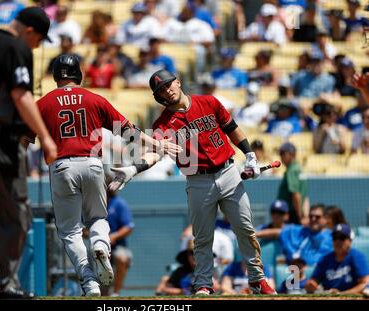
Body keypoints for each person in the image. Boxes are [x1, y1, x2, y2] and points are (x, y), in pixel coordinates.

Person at [109, 70, 277, 295]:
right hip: (198, 181)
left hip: (228, 172)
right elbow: (155, 153)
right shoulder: (162, 124)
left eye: (169, 84)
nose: (168, 90)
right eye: (162, 89)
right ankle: (204, 283)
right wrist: (135, 168)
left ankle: (257, 279)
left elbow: (232, 128)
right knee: (202, 237)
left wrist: (249, 155)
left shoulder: (209, 101)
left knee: (246, 229)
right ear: (158, 96)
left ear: (178, 81)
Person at [36, 55, 180, 296]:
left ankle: (89, 281)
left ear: (56, 76)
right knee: (97, 219)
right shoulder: (94, 98)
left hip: (61, 166)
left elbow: (22, 139)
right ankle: (101, 245)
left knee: (70, 231)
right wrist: (156, 144)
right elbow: (128, 131)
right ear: (78, 75)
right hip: (93, 164)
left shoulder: (43, 103)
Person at [0, 7, 58, 299]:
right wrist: (45, 137)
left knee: (0, 217)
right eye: (40, 40)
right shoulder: (16, 47)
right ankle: (0, 287)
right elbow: (21, 95)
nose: (38, 46)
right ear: (30, 31)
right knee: (16, 217)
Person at [305, 224, 369, 294]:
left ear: (350, 240)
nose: (338, 241)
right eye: (335, 238)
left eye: (342, 238)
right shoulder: (324, 259)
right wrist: (310, 286)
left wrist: (342, 295)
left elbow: (365, 283)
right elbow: (313, 282)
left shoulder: (357, 257)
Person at [105, 189, 135, 297]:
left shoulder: (119, 203)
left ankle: (115, 293)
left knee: (122, 258)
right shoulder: (93, 204)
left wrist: (114, 236)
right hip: (98, 246)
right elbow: (83, 229)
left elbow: (129, 227)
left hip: (117, 245)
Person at [277, 142, 308, 224]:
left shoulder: (292, 171)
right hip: (297, 212)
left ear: (292, 154)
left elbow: (296, 194)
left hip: (292, 214)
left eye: (283, 153)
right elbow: (305, 196)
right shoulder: (298, 168)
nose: (281, 156)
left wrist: (299, 216)